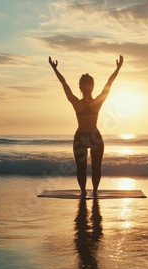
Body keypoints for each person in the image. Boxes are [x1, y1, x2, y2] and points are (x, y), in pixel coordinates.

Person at [49, 55, 124, 197]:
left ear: (92, 85)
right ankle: (83, 192)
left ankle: (95, 192)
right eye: (85, 83)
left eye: (89, 83)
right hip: (81, 137)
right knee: (81, 169)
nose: (87, 85)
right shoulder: (76, 102)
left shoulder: (97, 102)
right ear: (80, 86)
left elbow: (109, 83)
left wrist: (118, 68)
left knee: (96, 168)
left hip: (95, 137)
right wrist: (55, 69)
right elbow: (64, 84)